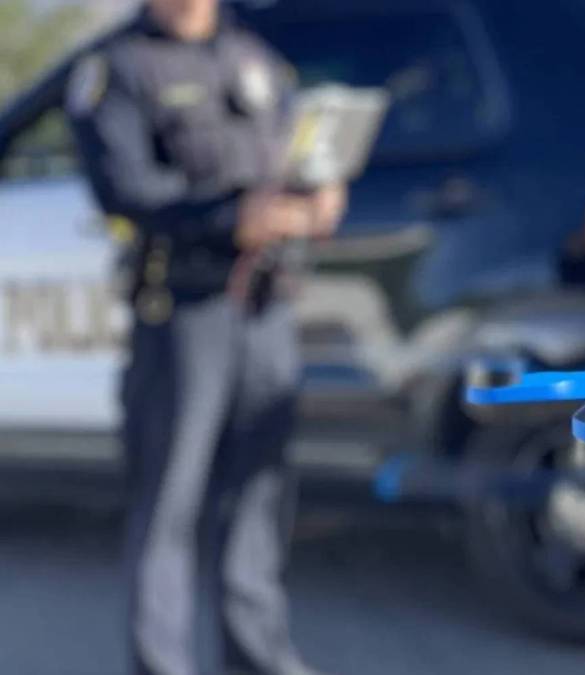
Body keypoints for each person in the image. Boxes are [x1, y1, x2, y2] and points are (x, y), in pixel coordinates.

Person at [66, 1, 345, 673]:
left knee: (259, 495)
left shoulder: (253, 57)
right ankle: (161, 661)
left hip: (267, 307)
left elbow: (291, 156)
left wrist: (317, 199)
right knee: (170, 503)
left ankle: (258, 654)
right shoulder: (117, 69)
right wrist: (228, 219)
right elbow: (124, 192)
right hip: (183, 313)